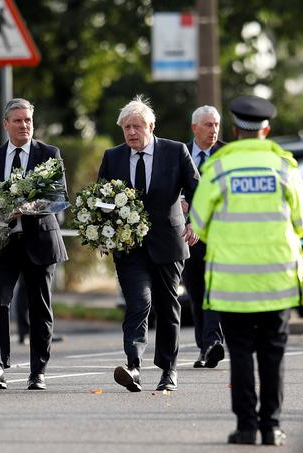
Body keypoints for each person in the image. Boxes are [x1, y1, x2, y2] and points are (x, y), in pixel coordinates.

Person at [190, 95, 303, 446]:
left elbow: (199, 223)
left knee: (241, 353)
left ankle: (246, 427)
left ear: (233, 130)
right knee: (272, 354)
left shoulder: (219, 166)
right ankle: (271, 427)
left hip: (231, 282)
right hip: (276, 280)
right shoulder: (284, 166)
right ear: (267, 130)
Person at [98, 95, 199, 392]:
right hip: (128, 246)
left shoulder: (175, 151)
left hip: (169, 242)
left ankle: (168, 369)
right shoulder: (112, 157)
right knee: (138, 302)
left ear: (150, 126)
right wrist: (103, 230)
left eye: (137, 126)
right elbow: (100, 198)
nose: (131, 132)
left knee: (168, 307)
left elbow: (198, 190)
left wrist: (196, 221)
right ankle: (133, 365)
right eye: (126, 127)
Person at [0, 98, 68, 391]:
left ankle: (37, 372)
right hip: (4, 243)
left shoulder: (49, 153)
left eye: (28, 120)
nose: (24, 125)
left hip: (39, 240)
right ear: (6, 124)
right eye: (18, 121)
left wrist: (29, 207)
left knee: (39, 307)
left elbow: (59, 197)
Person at [182, 105, 226, 368]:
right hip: (189, 237)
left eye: (217, 125)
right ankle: (204, 348)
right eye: (208, 125)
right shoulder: (180, 153)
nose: (214, 130)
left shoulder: (227, 155)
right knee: (197, 293)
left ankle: (213, 343)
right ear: (194, 128)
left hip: (220, 236)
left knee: (214, 290)